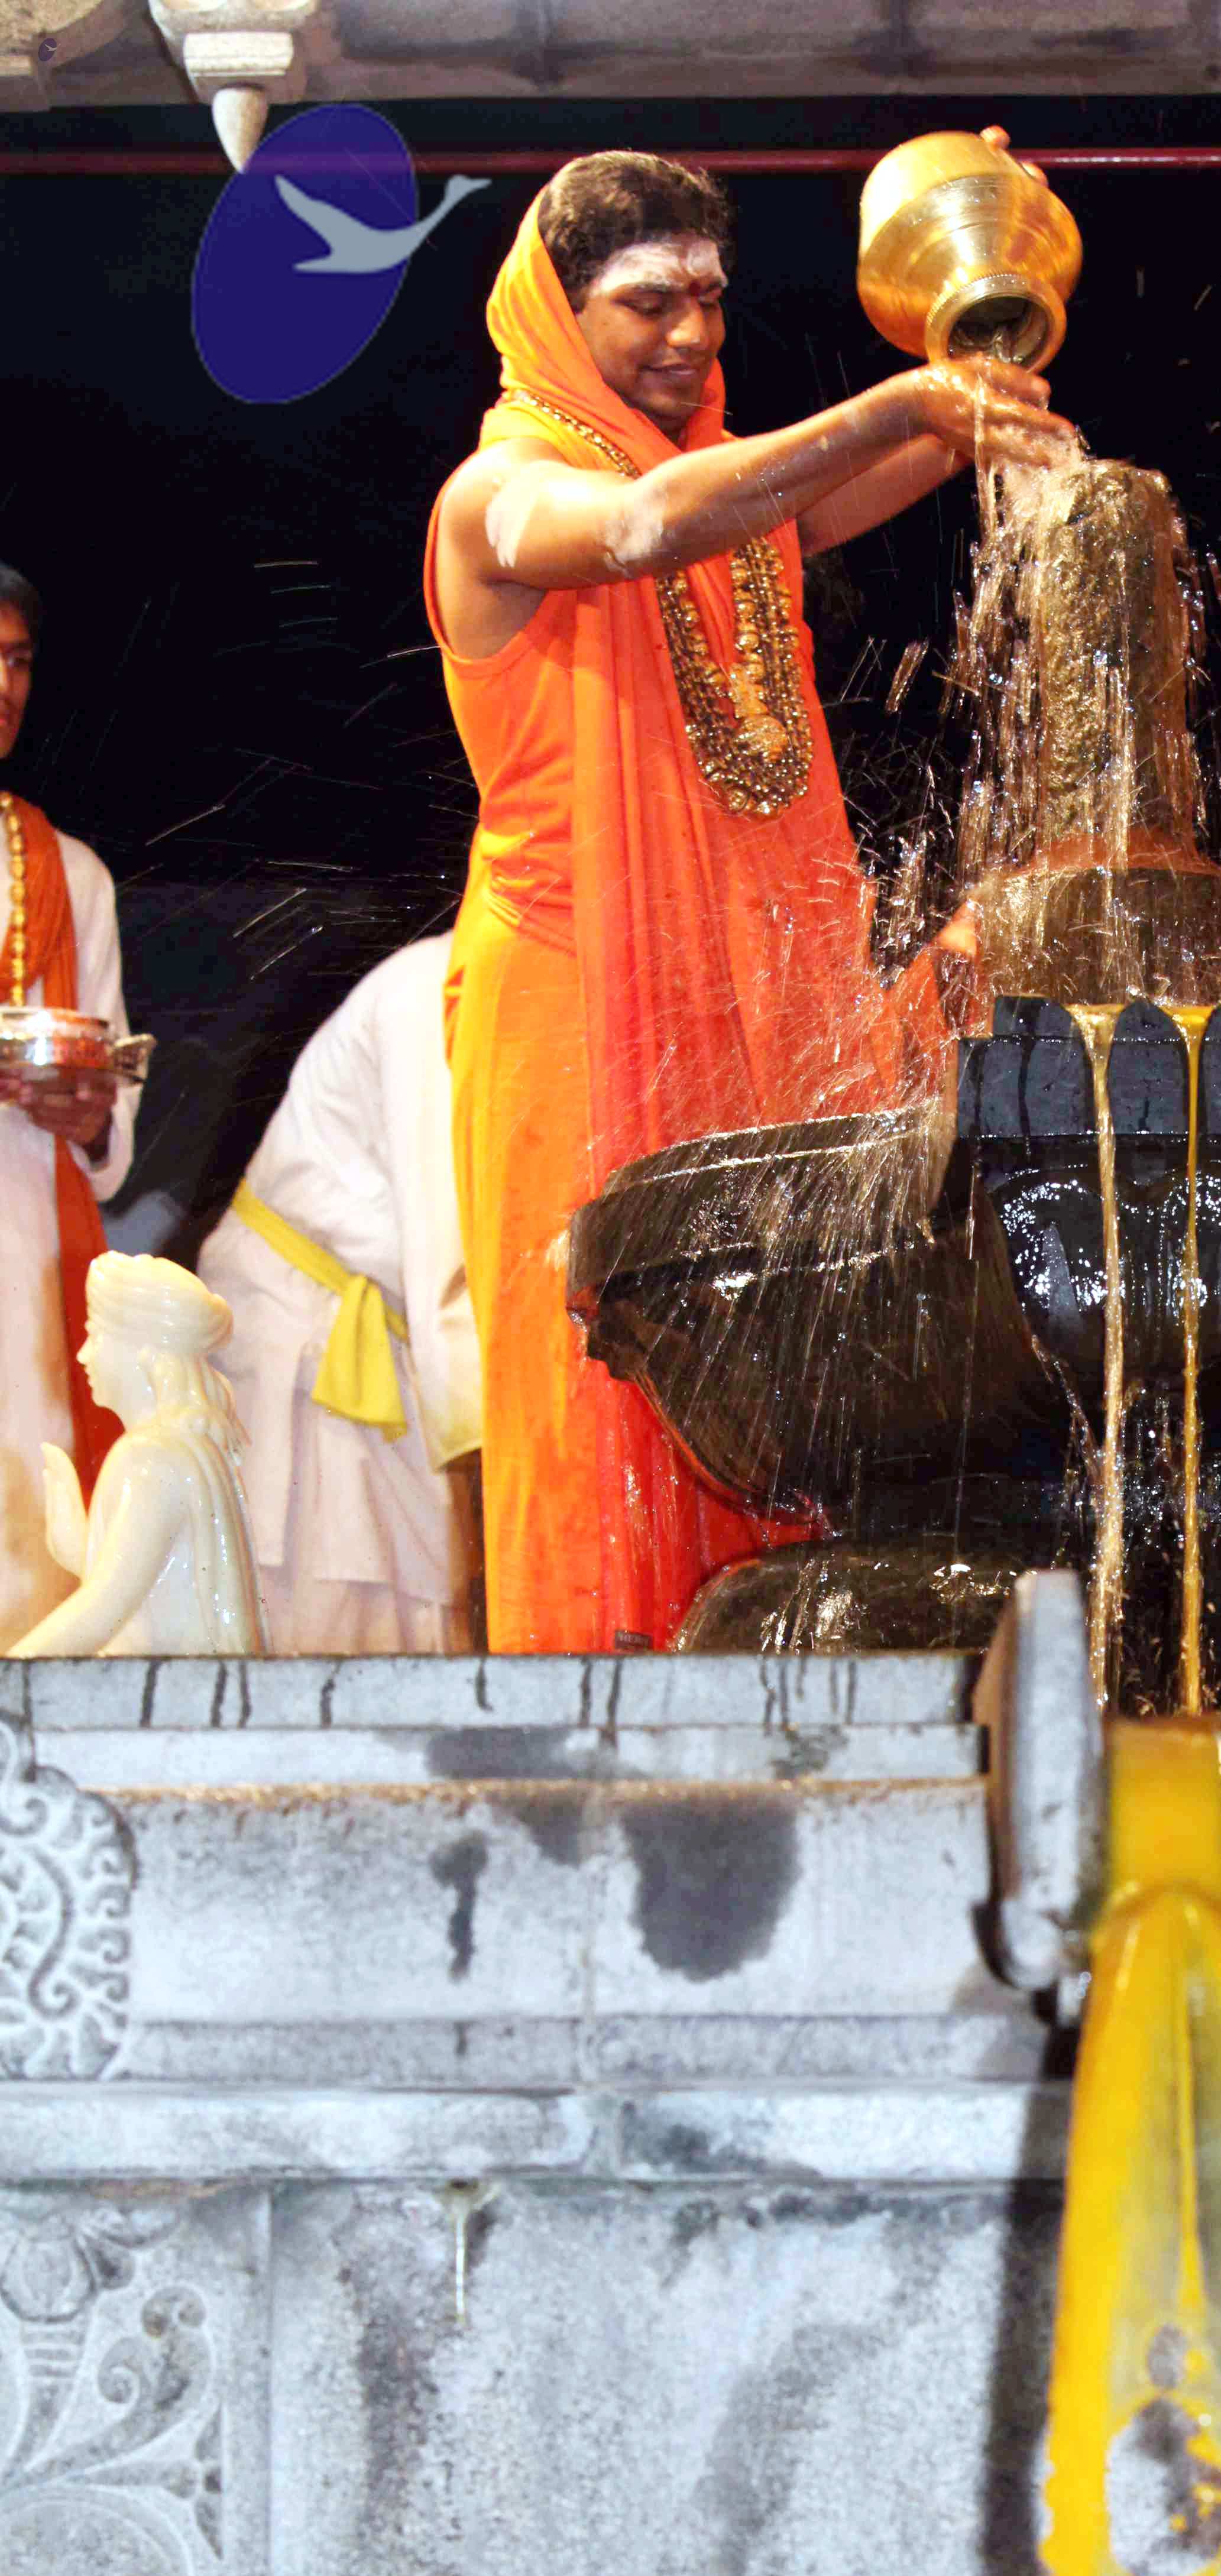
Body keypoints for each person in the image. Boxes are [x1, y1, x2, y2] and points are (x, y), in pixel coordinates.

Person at [429, 142, 1076, 1655]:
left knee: (779, 1357)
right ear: (555, 311)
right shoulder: (497, 497)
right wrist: (903, 404)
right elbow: (646, 528)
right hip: (574, 1003)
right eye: (646, 304)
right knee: (601, 1379)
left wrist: (988, 317)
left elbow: (855, 470)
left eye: (709, 301)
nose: (690, 335)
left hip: (745, 996)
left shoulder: (735, 490)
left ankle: (764, 1690)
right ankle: (605, 1719)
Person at [196, 932, 482, 1654]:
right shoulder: (433, 988)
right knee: (324, 1632)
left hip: (389, 1343)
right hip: (307, 1345)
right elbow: (446, 1253)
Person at [0, 562, 140, 1645]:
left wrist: (90, 1119)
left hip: (26, 1278)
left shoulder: (71, 873)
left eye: (17, 662)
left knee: (35, 1560)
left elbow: (113, 1132)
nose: (4, 687)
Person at [9, 1254, 261, 1661]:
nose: (83, 1355)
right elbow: (156, 1593)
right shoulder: (182, 1450)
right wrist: (81, 1550)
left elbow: (102, 1613)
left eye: (96, 1336)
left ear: (143, 1353)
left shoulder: (150, 1459)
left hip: (161, 1690)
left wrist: (13, 1672)